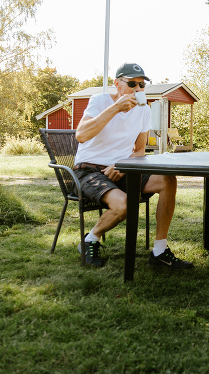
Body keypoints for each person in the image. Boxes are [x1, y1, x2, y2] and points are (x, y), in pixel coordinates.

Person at [73, 62, 193, 269]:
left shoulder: (143, 110)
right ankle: (90, 239)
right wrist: (115, 108)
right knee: (125, 205)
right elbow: (81, 135)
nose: (138, 89)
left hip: (123, 169)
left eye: (142, 85)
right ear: (117, 84)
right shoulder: (100, 101)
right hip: (89, 170)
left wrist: (122, 165)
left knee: (167, 180)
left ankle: (159, 251)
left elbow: (139, 149)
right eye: (132, 84)